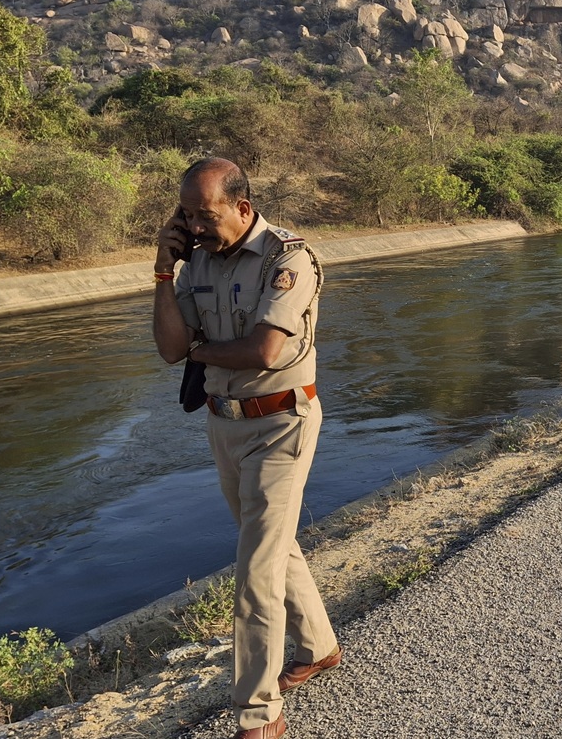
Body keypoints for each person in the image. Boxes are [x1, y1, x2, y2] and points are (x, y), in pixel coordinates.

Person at [153, 158, 340, 739]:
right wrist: (163, 273)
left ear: (241, 205)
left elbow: (262, 352)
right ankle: (319, 647)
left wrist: (201, 351)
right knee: (272, 547)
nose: (195, 226)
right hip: (225, 424)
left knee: (254, 569)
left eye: (203, 215)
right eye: (186, 216)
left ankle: (258, 716)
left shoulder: (289, 259)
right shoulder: (196, 265)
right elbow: (168, 347)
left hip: (282, 423)